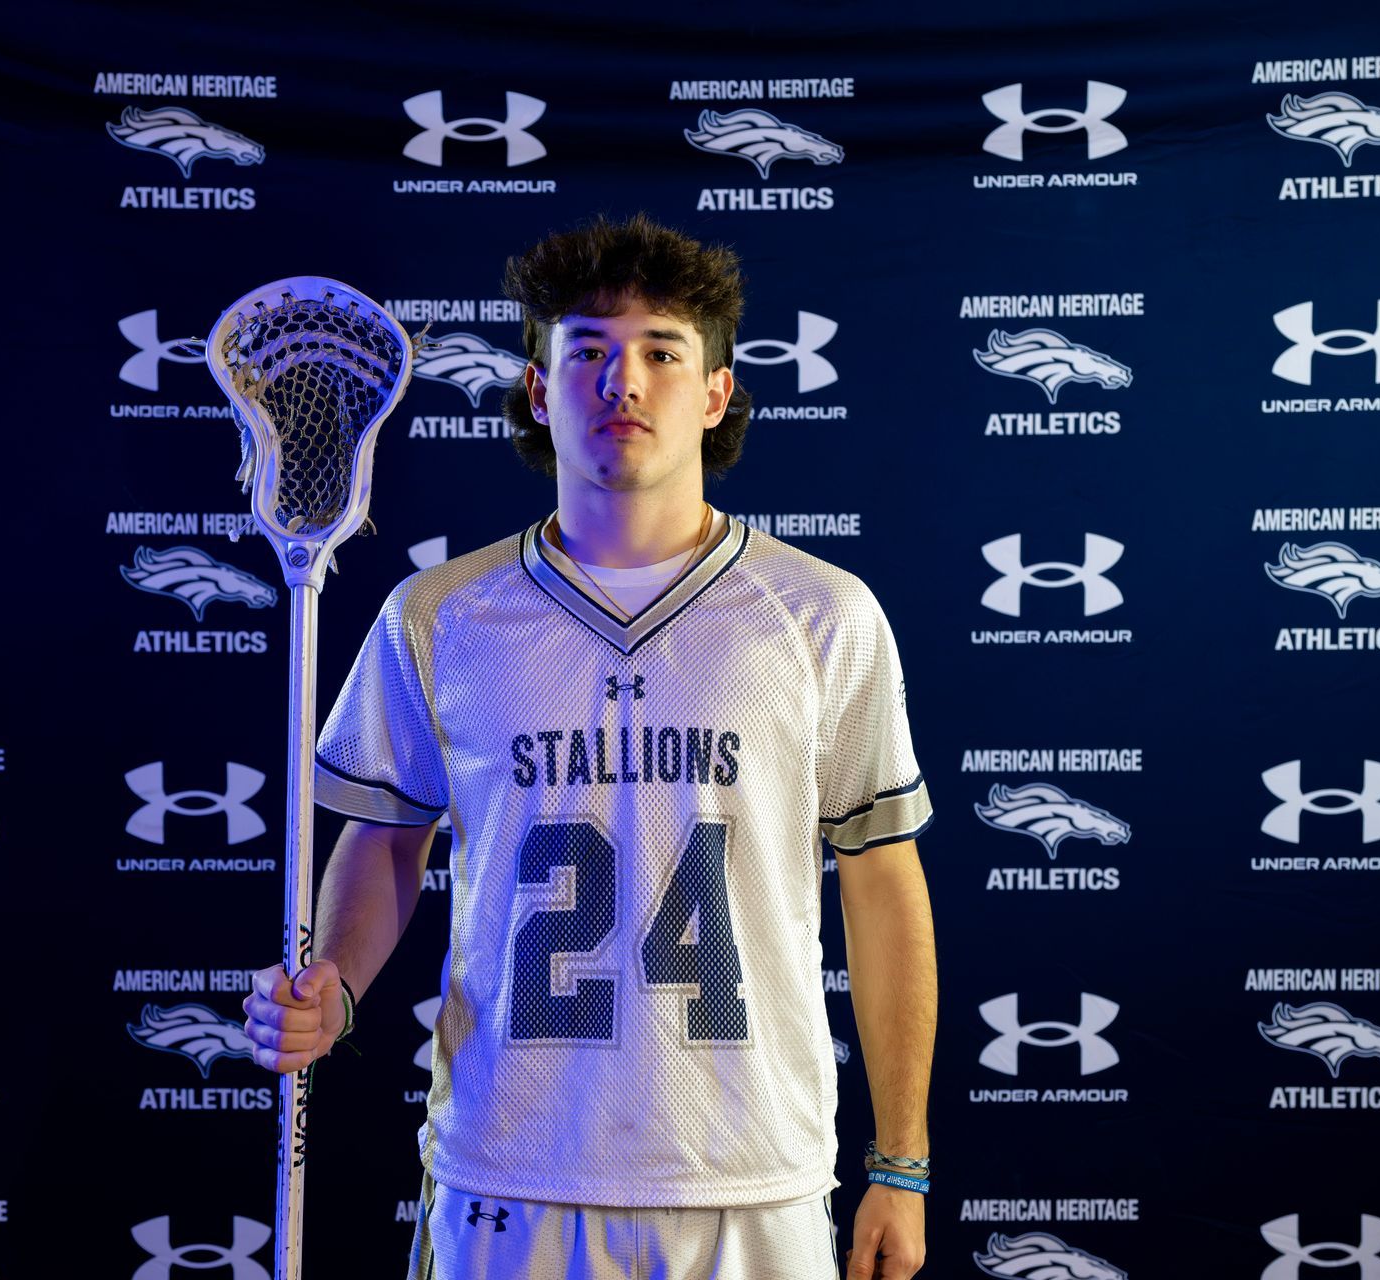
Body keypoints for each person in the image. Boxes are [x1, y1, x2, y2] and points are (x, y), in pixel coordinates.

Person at [243, 214, 937, 1280]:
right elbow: (384, 841)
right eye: (588, 352)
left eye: (662, 351)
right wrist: (332, 987)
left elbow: (882, 881)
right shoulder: (441, 615)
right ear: (537, 390)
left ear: (716, 394)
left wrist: (902, 1161)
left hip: (750, 1175)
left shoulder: (820, 615)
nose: (625, 382)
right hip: (510, 1170)